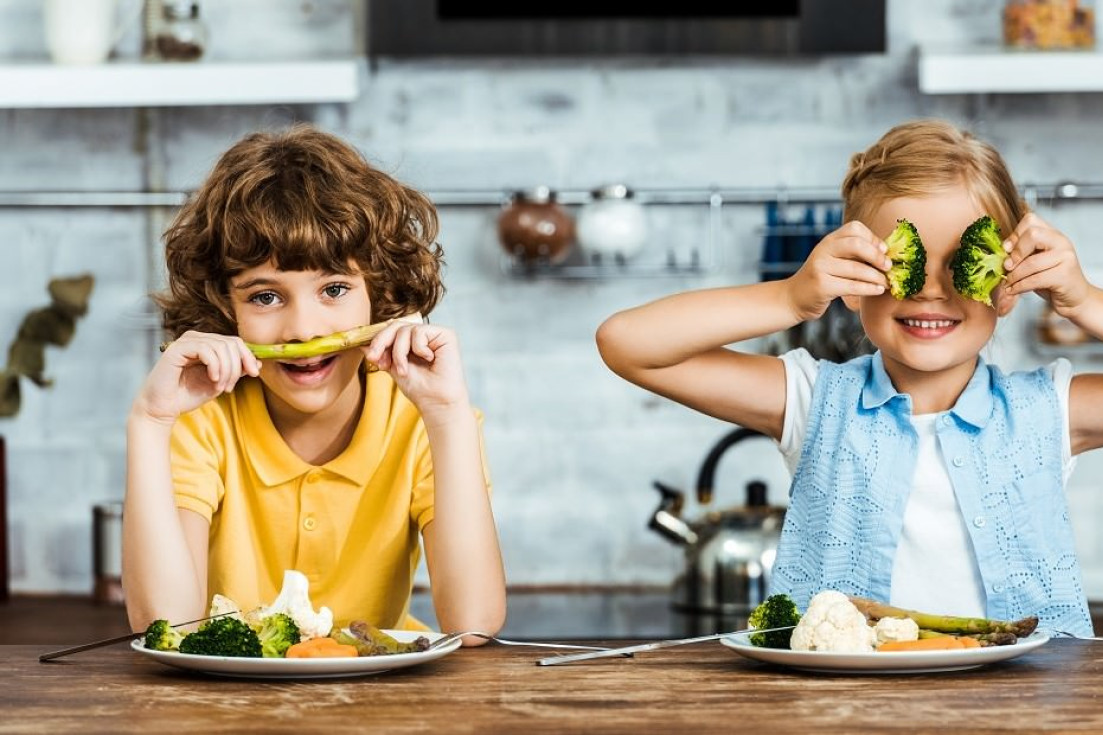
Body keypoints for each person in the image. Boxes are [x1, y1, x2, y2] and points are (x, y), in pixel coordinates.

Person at [596, 119, 1103, 636]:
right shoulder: (813, 401)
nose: (931, 290)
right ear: (853, 284)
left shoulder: (1050, 411)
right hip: (847, 710)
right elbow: (628, 343)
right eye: (906, 260)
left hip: (1025, 711)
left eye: (963, 263)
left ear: (1008, 286)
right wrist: (789, 296)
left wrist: (1084, 299)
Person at [122, 124, 506, 643]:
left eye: (334, 288)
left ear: (380, 293)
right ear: (224, 308)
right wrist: (150, 423)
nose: (304, 329)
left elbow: (475, 625)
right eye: (264, 296)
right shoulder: (199, 420)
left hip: (382, 699)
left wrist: (448, 416)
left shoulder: (423, 419)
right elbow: (165, 627)